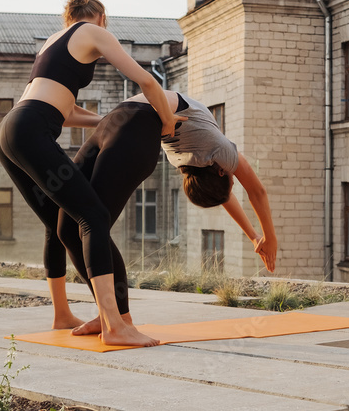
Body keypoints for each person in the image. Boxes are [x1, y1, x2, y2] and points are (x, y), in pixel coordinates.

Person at [0, 0, 183, 347]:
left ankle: (62, 313)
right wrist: (168, 119)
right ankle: (115, 326)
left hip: (10, 130)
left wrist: (106, 121)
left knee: (58, 220)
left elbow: (64, 111)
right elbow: (146, 81)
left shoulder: (52, 41)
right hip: (31, 129)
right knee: (93, 216)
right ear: (100, 17)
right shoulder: (94, 31)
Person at [57, 90, 277, 336]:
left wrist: (254, 236)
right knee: (67, 228)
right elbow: (256, 190)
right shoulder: (218, 148)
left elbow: (225, 195)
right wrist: (270, 237)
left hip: (128, 125)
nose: (234, 179)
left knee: (91, 225)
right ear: (221, 171)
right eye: (233, 181)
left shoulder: (201, 160)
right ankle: (110, 316)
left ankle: (118, 319)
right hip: (116, 121)